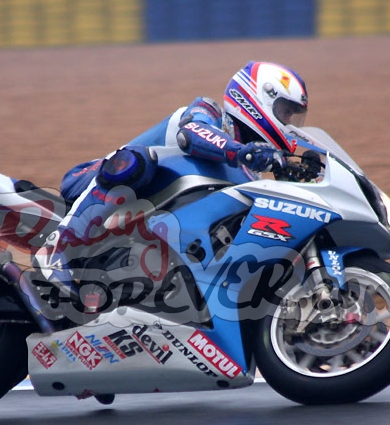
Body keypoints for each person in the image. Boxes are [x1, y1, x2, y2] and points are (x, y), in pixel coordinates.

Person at [37, 61, 309, 298]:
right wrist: (242, 153)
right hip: (88, 181)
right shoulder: (210, 112)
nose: (288, 122)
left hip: (134, 232)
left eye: (292, 115)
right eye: (285, 111)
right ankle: (57, 248)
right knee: (137, 160)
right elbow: (191, 135)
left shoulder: (249, 173)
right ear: (258, 98)